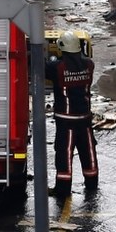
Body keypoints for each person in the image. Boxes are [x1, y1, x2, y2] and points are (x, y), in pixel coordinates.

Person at [46, 31, 98, 198]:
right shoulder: (89, 64)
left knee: (64, 152)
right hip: (84, 117)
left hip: (66, 119)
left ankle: (62, 189)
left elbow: (42, 68)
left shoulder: (57, 67)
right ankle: (92, 183)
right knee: (88, 150)